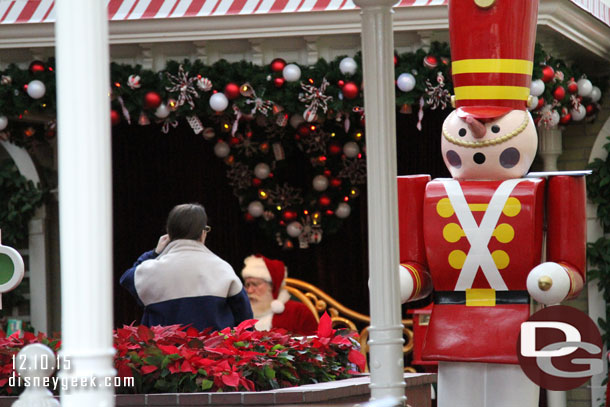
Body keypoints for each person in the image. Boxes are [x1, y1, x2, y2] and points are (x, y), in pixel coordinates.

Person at [120, 203, 253, 332]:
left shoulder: (151, 269)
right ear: (203, 233)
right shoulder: (222, 268)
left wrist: (154, 253)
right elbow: (245, 321)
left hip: (161, 353)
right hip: (214, 353)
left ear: (169, 234)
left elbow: (126, 278)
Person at [241, 255, 318, 336]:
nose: (249, 290)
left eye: (255, 284)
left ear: (272, 287)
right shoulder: (240, 314)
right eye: (247, 285)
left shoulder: (297, 312)